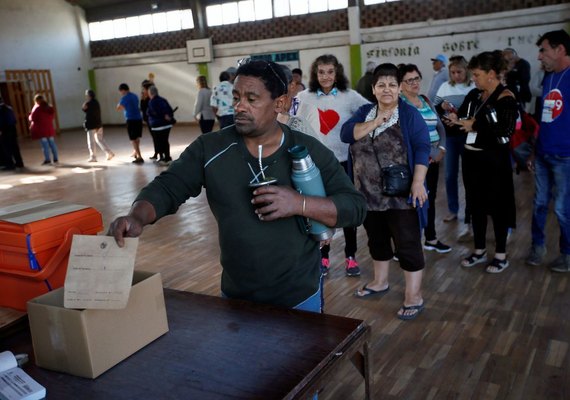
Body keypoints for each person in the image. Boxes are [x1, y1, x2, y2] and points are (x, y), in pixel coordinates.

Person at [107, 59, 367, 314]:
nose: (240, 107)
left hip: (299, 295)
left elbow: (355, 207)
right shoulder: (211, 148)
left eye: (251, 99)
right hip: (236, 296)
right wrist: (136, 216)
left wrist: (299, 203)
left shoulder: (306, 149)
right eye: (236, 98)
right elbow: (169, 185)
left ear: (280, 103)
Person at [340, 63, 430, 320]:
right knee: (376, 240)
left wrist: (418, 182)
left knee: (407, 243)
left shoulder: (409, 114)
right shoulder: (364, 112)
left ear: (399, 88)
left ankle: (414, 296)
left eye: (392, 84)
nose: (387, 89)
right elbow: (348, 134)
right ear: (373, 89)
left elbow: (423, 146)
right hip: (367, 194)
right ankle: (380, 282)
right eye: (381, 85)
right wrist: (376, 121)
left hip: (401, 195)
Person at [294, 54, 370, 277]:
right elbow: (295, 123)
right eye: (321, 72)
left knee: (345, 209)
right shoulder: (304, 97)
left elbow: (370, 111)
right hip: (317, 164)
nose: (325, 76)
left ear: (337, 73)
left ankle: (350, 256)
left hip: (345, 163)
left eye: (330, 71)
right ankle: (324, 256)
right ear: (315, 74)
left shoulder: (349, 96)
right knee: (319, 210)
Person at [446, 51, 518, 273]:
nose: (474, 79)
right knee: (475, 204)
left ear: (491, 74)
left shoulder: (506, 97)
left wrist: (474, 126)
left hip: (494, 160)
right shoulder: (474, 96)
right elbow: (465, 122)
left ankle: (500, 254)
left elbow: (505, 132)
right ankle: (479, 250)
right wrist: (454, 121)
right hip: (472, 158)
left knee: (498, 207)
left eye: (477, 75)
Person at [526, 30, 570, 272]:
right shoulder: (549, 78)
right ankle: (537, 246)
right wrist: (534, 150)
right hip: (543, 153)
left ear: (560, 49)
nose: (540, 56)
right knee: (539, 204)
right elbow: (544, 118)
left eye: (544, 50)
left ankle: (567, 253)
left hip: (566, 156)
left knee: (563, 209)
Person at [399, 64, 451, 254]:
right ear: (401, 85)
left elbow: (440, 126)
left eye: (416, 79)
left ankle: (431, 238)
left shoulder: (425, 100)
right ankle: (406, 245)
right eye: (409, 80)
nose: (414, 83)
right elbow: (406, 138)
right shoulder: (401, 105)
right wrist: (429, 151)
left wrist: (442, 148)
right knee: (411, 202)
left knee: (430, 199)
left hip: (433, 161)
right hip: (415, 161)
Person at [434, 55, 476, 232]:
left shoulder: (473, 86)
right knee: (450, 174)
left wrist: (462, 118)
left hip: (468, 135)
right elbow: (435, 108)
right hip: (450, 136)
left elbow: (477, 110)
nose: (456, 75)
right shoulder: (444, 87)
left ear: (466, 71)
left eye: (459, 72)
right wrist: (442, 107)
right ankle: (453, 209)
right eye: (452, 72)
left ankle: (471, 211)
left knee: (470, 175)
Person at [82, 89, 114, 162]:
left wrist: (85, 105)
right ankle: (109, 153)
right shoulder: (96, 102)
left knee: (91, 141)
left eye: (86, 95)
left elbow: (84, 108)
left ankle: (93, 157)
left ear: (88, 95)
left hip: (91, 125)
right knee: (100, 140)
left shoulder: (88, 103)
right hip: (98, 124)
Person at [146, 85, 174, 166]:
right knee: (165, 141)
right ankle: (167, 157)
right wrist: (169, 117)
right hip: (167, 125)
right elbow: (170, 110)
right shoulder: (163, 100)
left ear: (150, 93)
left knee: (159, 142)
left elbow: (153, 112)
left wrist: (164, 116)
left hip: (158, 126)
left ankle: (163, 159)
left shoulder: (152, 102)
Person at [116, 83, 144, 164]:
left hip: (131, 120)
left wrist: (122, 105)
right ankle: (136, 151)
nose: (120, 93)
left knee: (132, 139)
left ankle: (139, 157)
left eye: (120, 91)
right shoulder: (134, 96)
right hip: (138, 119)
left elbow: (118, 108)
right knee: (137, 138)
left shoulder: (125, 98)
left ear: (123, 90)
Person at [29, 94, 58, 165]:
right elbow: (52, 117)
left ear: (36, 101)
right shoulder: (49, 107)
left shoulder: (37, 109)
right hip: (49, 129)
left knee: (45, 145)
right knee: (52, 144)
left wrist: (29, 116)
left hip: (41, 130)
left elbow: (32, 118)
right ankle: (55, 158)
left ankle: (47, 159)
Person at [0, 96, 24, 170]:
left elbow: (1, 121)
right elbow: (14, 120)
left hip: (5, 130)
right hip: (13, 130)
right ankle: (19, 163)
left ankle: (10, 165)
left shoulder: (1, 110)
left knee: (6, 148)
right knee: (15, 147)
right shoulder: (9, 108)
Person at [140, 80, 158, 160]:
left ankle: (159, 153)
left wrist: (143, 99)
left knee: (156, 137)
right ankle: (157, 153)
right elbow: (142, 109)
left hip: (152, 121)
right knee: (154, 137)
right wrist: (142, 99)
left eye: (144, 89)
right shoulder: (146, 98)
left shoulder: (150, 99)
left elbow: (145, 109)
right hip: (149, 120)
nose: (142, 91)